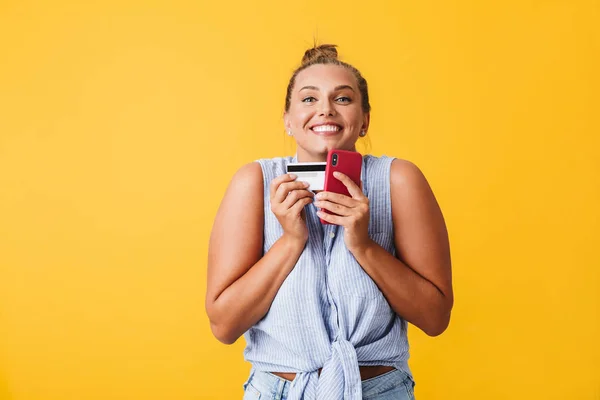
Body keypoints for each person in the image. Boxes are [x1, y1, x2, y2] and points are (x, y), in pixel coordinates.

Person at [205, 44, 453, 400]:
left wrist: (363, 245)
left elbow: (435, 317)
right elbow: (224, 325)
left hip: (379, 390)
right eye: (308, 99)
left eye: (343, 98)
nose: (325, 109)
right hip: (278, 391)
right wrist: (290, 241)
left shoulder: (398, 180)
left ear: (365, 119)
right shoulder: (254, 182)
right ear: (287, 120)